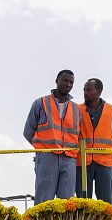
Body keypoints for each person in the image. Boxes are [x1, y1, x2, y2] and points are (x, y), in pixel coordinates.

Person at [24, 69, 82, 205]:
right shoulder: (40, 103)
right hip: (47, 157)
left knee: (67, 204)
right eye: (65, 80)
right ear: (57, 81)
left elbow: (78, 135)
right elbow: (28, 131)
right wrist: (43, 148)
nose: (68, 84)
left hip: (69, 160)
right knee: (44, 201)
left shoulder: (76, 109)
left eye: (71, 82)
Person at [78, 78, 112, 203]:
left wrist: (110, 155)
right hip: (83, 163)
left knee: (106, 203)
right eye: (84, 90)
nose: (85, 92)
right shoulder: (77, 110)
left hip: (105, 164)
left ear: (99, 91)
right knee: (83, 204)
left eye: (89, 89)